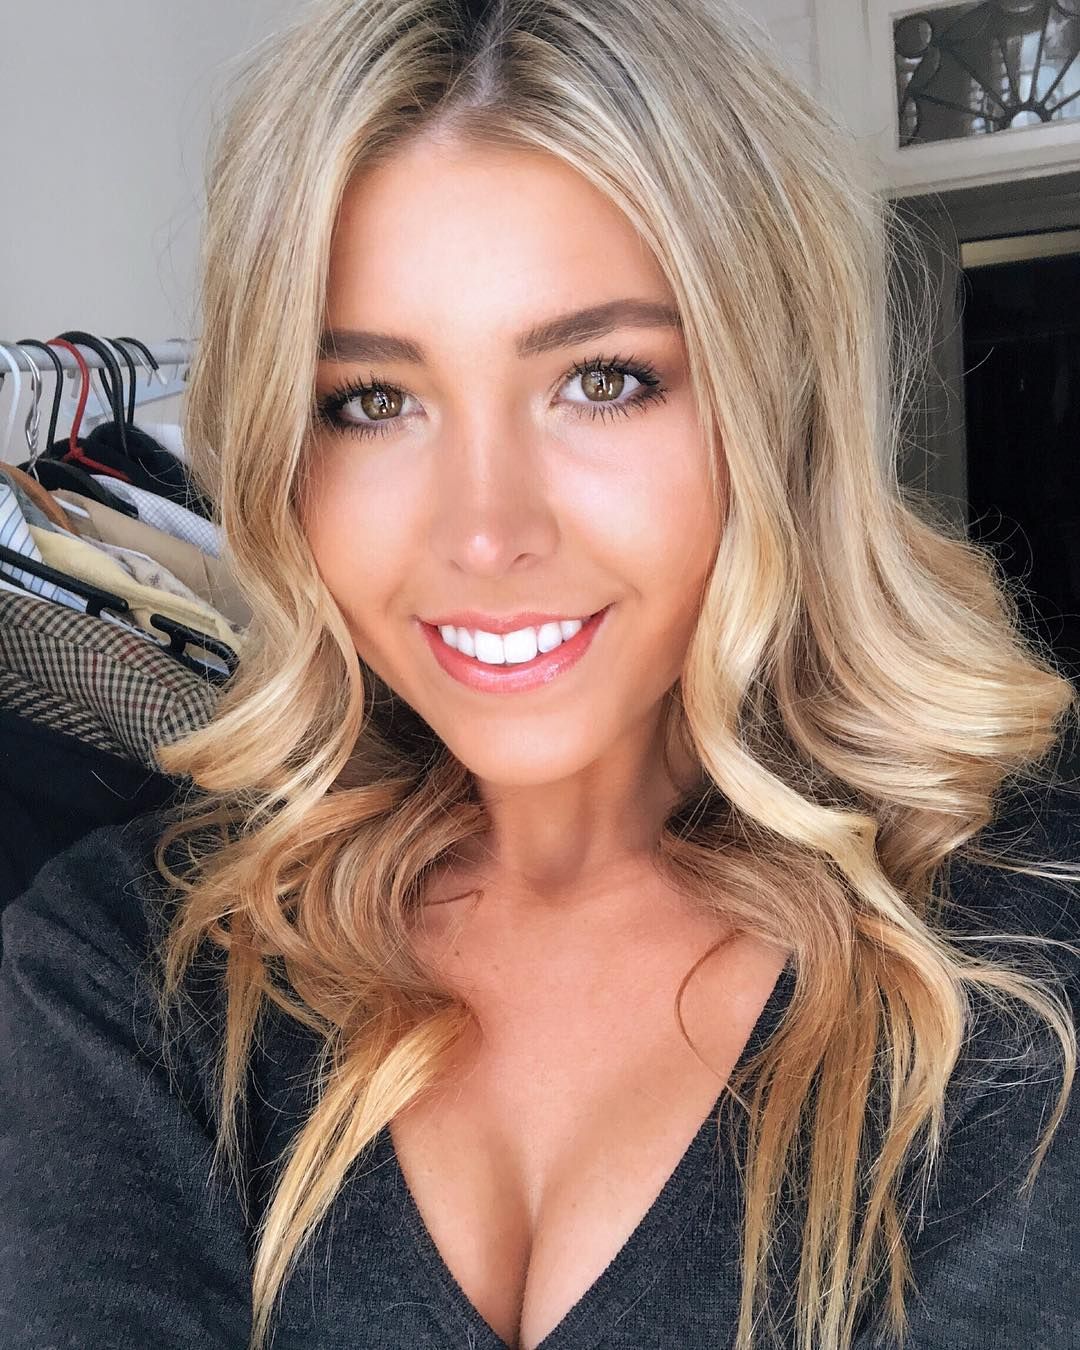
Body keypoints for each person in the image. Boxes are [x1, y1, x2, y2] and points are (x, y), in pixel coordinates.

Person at [2, 1, 1079, 1348]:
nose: (484, 531)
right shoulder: (125, 965)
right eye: (372, 401)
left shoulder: (1029, 965)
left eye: (603, 380)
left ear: (778, 406)